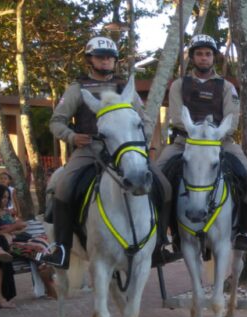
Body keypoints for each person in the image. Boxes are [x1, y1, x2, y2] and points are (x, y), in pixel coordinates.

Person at [37, 36, 171, 268]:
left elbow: (145, 120)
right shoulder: (77, 89)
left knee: (163, 185)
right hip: (90, 149)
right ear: (90, 59)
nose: (106, 61)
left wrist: (138, 142)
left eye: (110, 57)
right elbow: (56, 122)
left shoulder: (125, 89)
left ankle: (159, 244)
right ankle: (61, 248)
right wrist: (72, 137)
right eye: (101, 57)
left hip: (123, 152)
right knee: (64, 187)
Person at [156, 34, 247, 252]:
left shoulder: (226, 87)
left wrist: (212, 135)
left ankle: (242, 232)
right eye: (199, 54)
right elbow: (176, 117)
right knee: (158, 178)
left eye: (208, 54)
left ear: (214, 57)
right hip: (185, 142)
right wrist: (196, 132)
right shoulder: (178, 85)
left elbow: (232, 119)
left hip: (220, 142)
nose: (204, 58)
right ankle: (163, 234)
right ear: (192, 58)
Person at [0, 184, 57, 299]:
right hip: (6, 246)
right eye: (3, 197)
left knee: (44, 242)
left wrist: (19, 227)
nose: (6, 200)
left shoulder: (6, 212)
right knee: (39, 250)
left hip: (19, 240)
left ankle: (48, 279)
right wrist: (13, 227)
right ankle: (49, 286)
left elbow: (15, 230)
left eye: (7, 197)